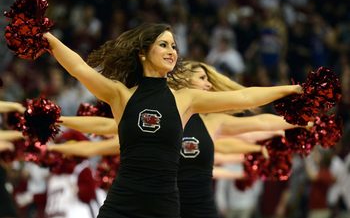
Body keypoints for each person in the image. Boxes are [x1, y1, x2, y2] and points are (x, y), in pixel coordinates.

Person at [33, 23, 301, 217]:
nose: (172, 50)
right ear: (143, 52)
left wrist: (291, 90)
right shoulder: (120, 95)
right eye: (163, 44)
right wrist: (46, 36)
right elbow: (79, 68)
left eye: (174, 45)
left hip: (163, 204)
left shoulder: (186, 99)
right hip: (123, 200)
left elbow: (244, 98)